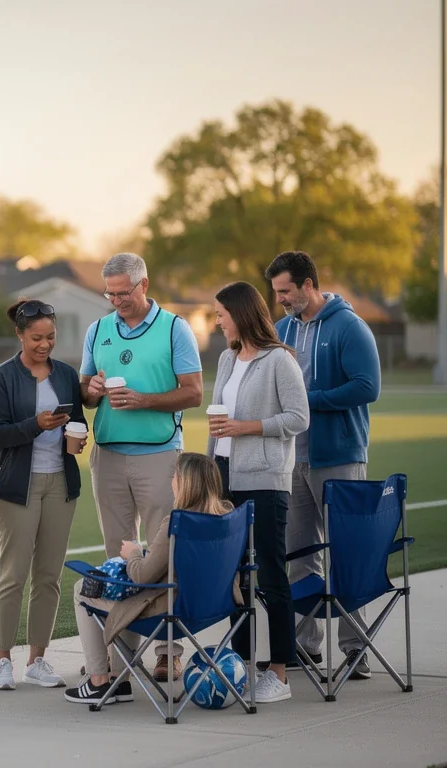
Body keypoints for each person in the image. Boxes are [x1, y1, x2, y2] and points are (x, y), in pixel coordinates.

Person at [79, 252, 203, 682]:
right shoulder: (98, 329)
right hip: (108, 454)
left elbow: (194, 393)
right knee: (118, 556)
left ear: (144, 285)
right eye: (110, 294)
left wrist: (146, 400)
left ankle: (170, 652)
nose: (117, 301)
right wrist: (91, 389)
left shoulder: (175, 328)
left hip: (159, 454)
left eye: (124, 293)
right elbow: (85, 391)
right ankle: (120, 653)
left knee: (164, 554)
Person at [266, 250, 381, 680]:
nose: (279, 299)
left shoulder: (349, 326)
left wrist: (307, 405)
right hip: (290, 459)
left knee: (346, 557)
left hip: (339, 457)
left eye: (285, 291)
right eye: (276, 292)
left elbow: (368, 387)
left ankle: (356, 651)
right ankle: (304, 646)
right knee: (299, 556)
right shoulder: (281, 330)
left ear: (308, 285)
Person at [205, 280, 309, 704]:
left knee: (270, 576)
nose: (216, 320)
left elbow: (298, 418)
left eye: (220, 314)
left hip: (265, 481)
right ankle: (242, 665)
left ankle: (280, 675)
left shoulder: (279, 361)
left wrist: (246, 427)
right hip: (226, 478)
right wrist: (211, 474)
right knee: (234, 579)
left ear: (240, 314)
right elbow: (217, 420)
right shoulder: (229, 360)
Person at [66, 452, 236, 704]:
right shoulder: (227, 516)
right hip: (212, 607)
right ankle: (120, 681)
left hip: (169, 611)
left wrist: (133, 554)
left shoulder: (175, 523)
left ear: (186, 483)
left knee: (85, 588)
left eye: (175, 476)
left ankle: (99, 682)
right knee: (128, 590)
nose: (171, 481)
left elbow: (141, 576)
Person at [0, 298, 86, 691]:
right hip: (16, 487)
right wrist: (36, 424)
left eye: (51, 337)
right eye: (37, 338)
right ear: (20, 335)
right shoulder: (2, 377)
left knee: (49, 576)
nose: (45, 344)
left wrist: (75, 440)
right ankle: (2, 661)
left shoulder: (64, 374)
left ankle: (37, 659)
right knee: (13, 574)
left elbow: (74, 421)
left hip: (60, 482)